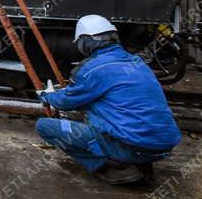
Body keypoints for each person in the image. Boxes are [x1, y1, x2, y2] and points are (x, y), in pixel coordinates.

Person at [36, 14, 182, 185]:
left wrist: (47, 96)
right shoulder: (137, 62)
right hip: (163, 145)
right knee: (104, 109)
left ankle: (109, 167)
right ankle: (140, 165)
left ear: (85, 41)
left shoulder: (92, 68)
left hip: (133, 147)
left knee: (45, 126)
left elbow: (66, 102)